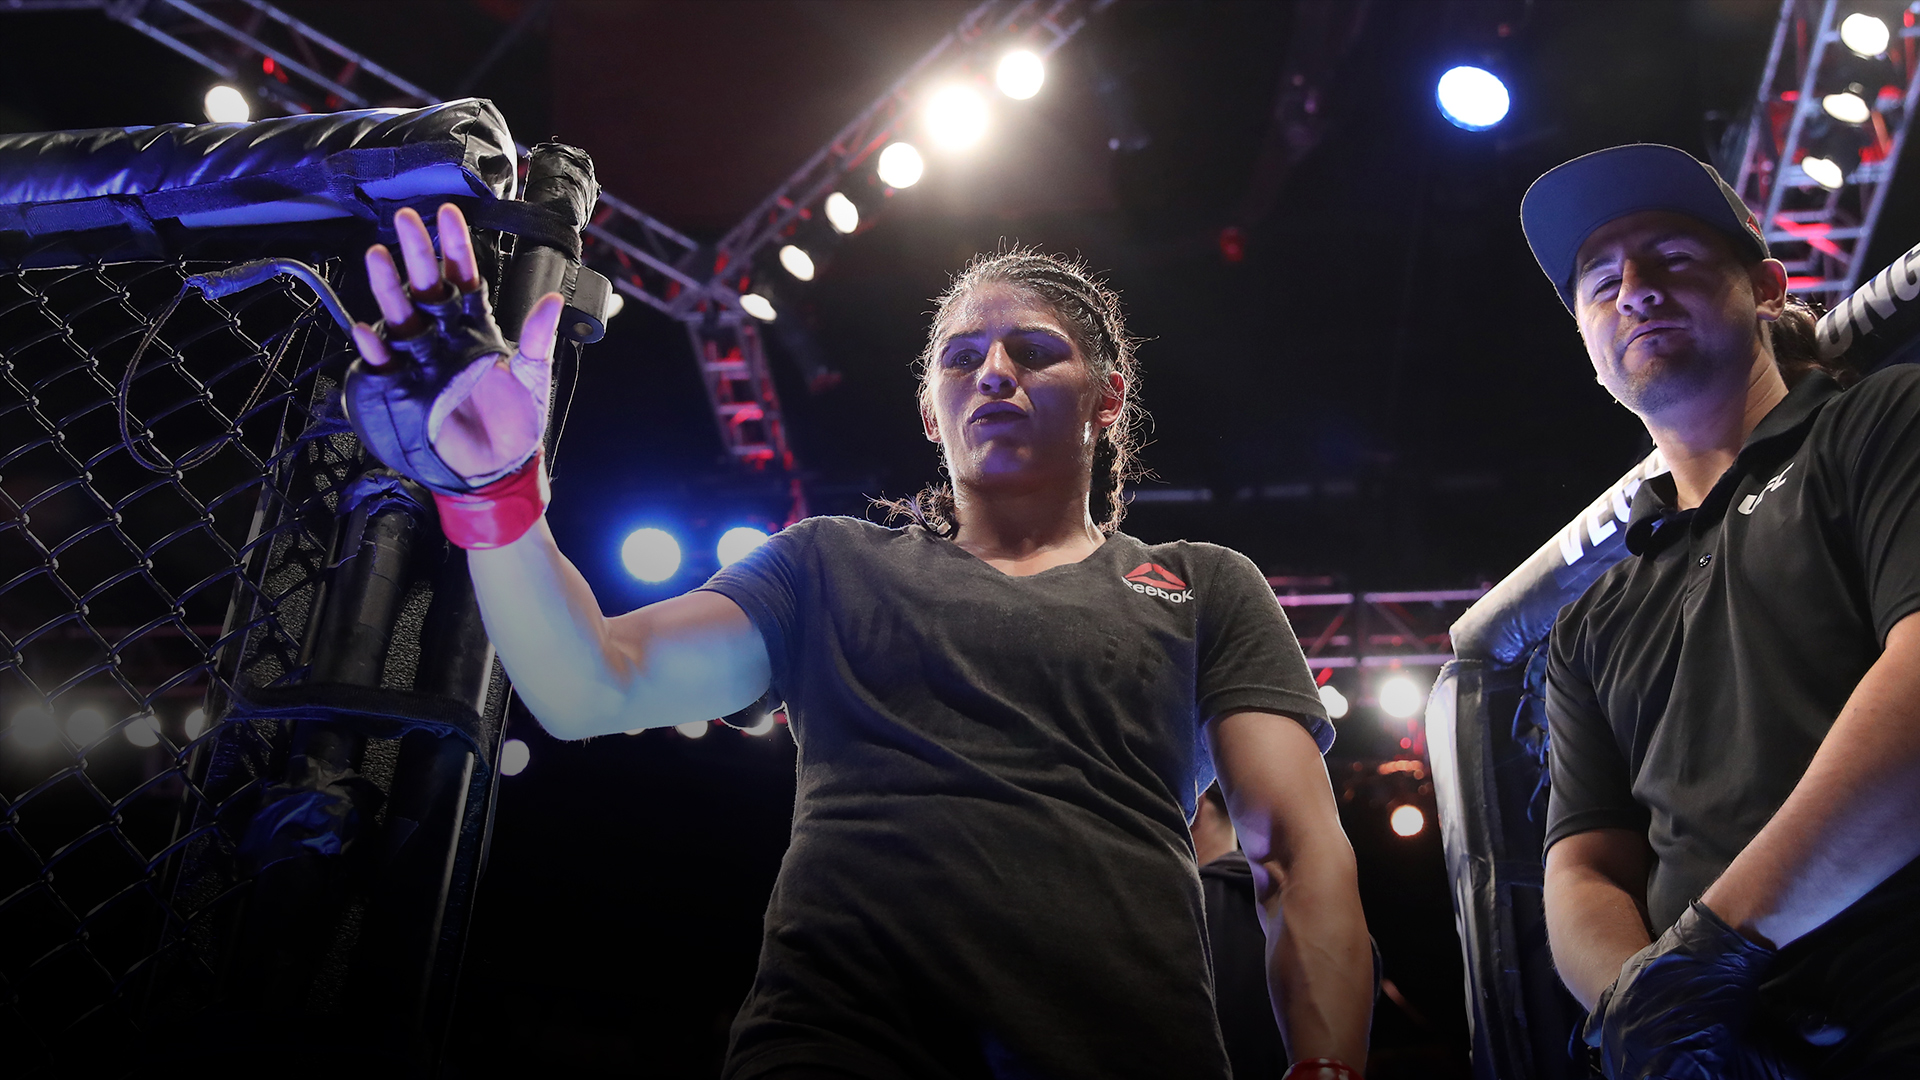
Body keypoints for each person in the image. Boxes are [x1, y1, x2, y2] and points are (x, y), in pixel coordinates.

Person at [344, 204, 1376, 1080]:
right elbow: (589, 686)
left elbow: (1296, 850)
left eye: (1035, 350)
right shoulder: (828, 565)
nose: (995, 373)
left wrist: (1326, 1068)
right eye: (962, 358)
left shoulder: (1203, 585)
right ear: (932, 411)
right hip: (836, 1050)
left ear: (1109, 398)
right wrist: (495, 492)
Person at [1520, 143, 1920, 1078]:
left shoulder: (1880, 424)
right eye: (1604, 280)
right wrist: (1646, 1009)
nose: (1637, 290)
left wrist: (1716, 948)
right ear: (1587, 344)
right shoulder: (1591, 623)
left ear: (1768, 287)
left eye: (1673, 257)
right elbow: (1585, 866)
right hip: (1727, 1051)